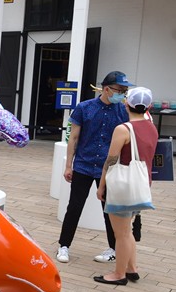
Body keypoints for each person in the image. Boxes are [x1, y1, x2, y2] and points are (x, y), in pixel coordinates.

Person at [56, 71, 141, 264]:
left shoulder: (124, 111)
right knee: (74, 207)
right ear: (107, 89)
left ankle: (113, 248)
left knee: (109, 210)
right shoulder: (84, 108)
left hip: (109, 168)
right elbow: (73, 138)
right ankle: (64, 245)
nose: (123, 94)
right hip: (83, 165)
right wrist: (68, 165)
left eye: (125, 91)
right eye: (120, 90)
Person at [94, 87, 158, 285]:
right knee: (126, 230)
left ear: (126, 103)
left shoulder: (123, 129)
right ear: (149, 106)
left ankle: (119, 274)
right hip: (140, 184)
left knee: (120, 233)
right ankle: (131, 268)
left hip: (122, 186)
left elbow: (111, 160)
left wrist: (101, 185)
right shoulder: (152, 128)